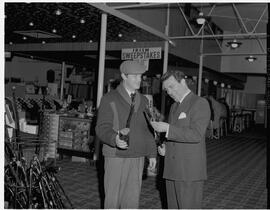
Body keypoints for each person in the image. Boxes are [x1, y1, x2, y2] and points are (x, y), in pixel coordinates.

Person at [95, 60, 157, 209]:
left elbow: (147, 129)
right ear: (124, 76)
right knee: (113, 199)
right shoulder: (109, 98)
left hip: (137, 155)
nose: (139, 80)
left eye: (140, 76)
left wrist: (152, 153)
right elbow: (101, 127)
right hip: (116, 155)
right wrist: (114, 138)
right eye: (134, 76)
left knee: (132, 199)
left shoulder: (142, 100)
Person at [150, 70, 211, 209]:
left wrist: (167, 129)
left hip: (189, 171)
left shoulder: (199, 103)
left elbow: (196, 134)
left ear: (183, 82)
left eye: (172, 86)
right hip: (172, 169)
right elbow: (176, 134)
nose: (169, 92)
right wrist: (166, 147)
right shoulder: (173, 106)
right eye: (166, 89)